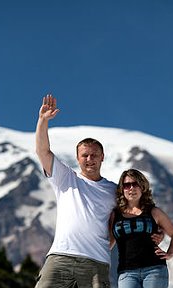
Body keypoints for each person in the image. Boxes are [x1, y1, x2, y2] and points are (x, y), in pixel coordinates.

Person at [34, 94, 117, 288]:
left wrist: (104, 248)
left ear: (102, 157)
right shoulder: (65, 178)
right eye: (85, 155)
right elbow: (43, 152)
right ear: (78, 158)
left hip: (96, 263)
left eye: (94, 155)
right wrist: (42, 121)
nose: (90, 159)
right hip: (60, 257)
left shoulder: (114, 190)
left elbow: (117, 224)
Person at [109, 169, 173, 288]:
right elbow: (111, 241)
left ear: (142, 187)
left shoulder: (154, 212)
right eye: (127, 185)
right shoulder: (115, 215)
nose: (131, 188)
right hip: (126, 272)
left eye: (135, 184)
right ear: (122, 189)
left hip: (154, 269)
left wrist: (170, 254)